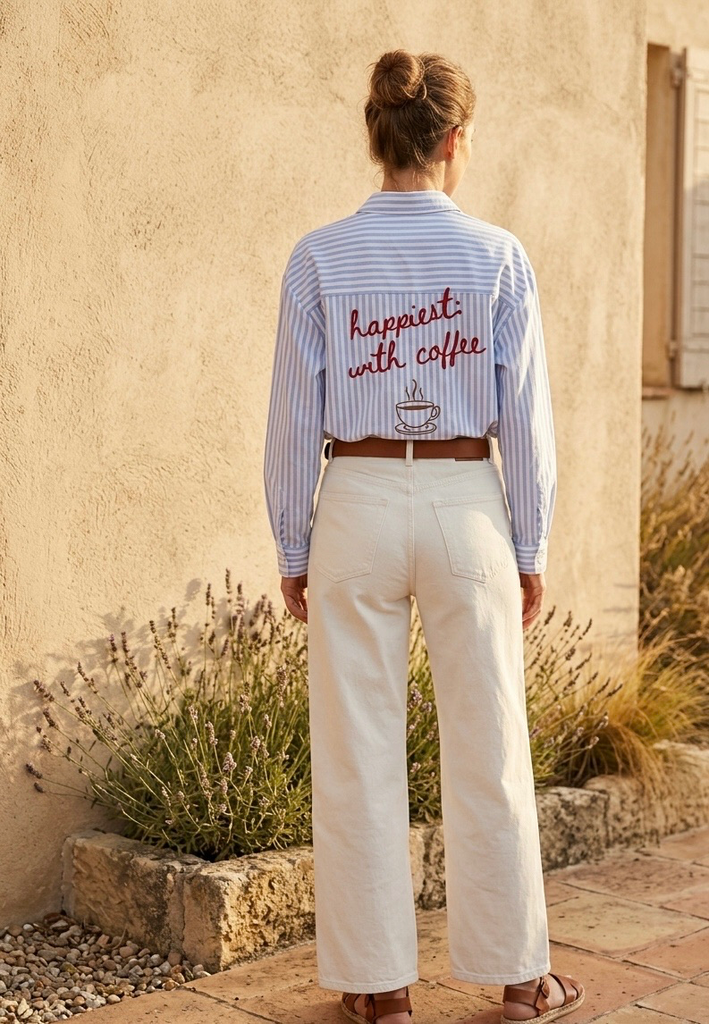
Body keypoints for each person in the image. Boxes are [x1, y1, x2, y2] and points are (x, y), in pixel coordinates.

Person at [263, 48, 585, 1024]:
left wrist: (292, 544)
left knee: (357, 749)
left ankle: (379, 990)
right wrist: (529, 546)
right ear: (452, 141)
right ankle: (520, 975)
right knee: (489, 740)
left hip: (353, 495)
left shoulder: (319, 257)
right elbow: (525, 423)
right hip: (462, 501)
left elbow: (289, 418)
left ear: (379, 137)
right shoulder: (497, 256)